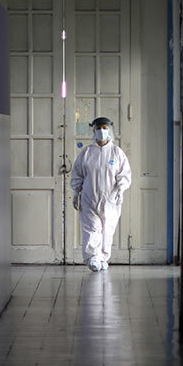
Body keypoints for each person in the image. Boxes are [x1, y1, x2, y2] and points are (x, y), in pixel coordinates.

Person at [70, 116, 132, 271]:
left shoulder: (117, 153)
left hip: (111, 200)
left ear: (110, 129)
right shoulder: (86, 153)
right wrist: (75, 193)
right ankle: (92, 258)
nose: (102, 131)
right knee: (91, 229)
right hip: (89, 198)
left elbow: (124, 174)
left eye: (105, 128)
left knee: (107, 230)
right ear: (94, 130)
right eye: (98, 128)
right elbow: (77, 174)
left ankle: (103, 258)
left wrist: (121, 189)